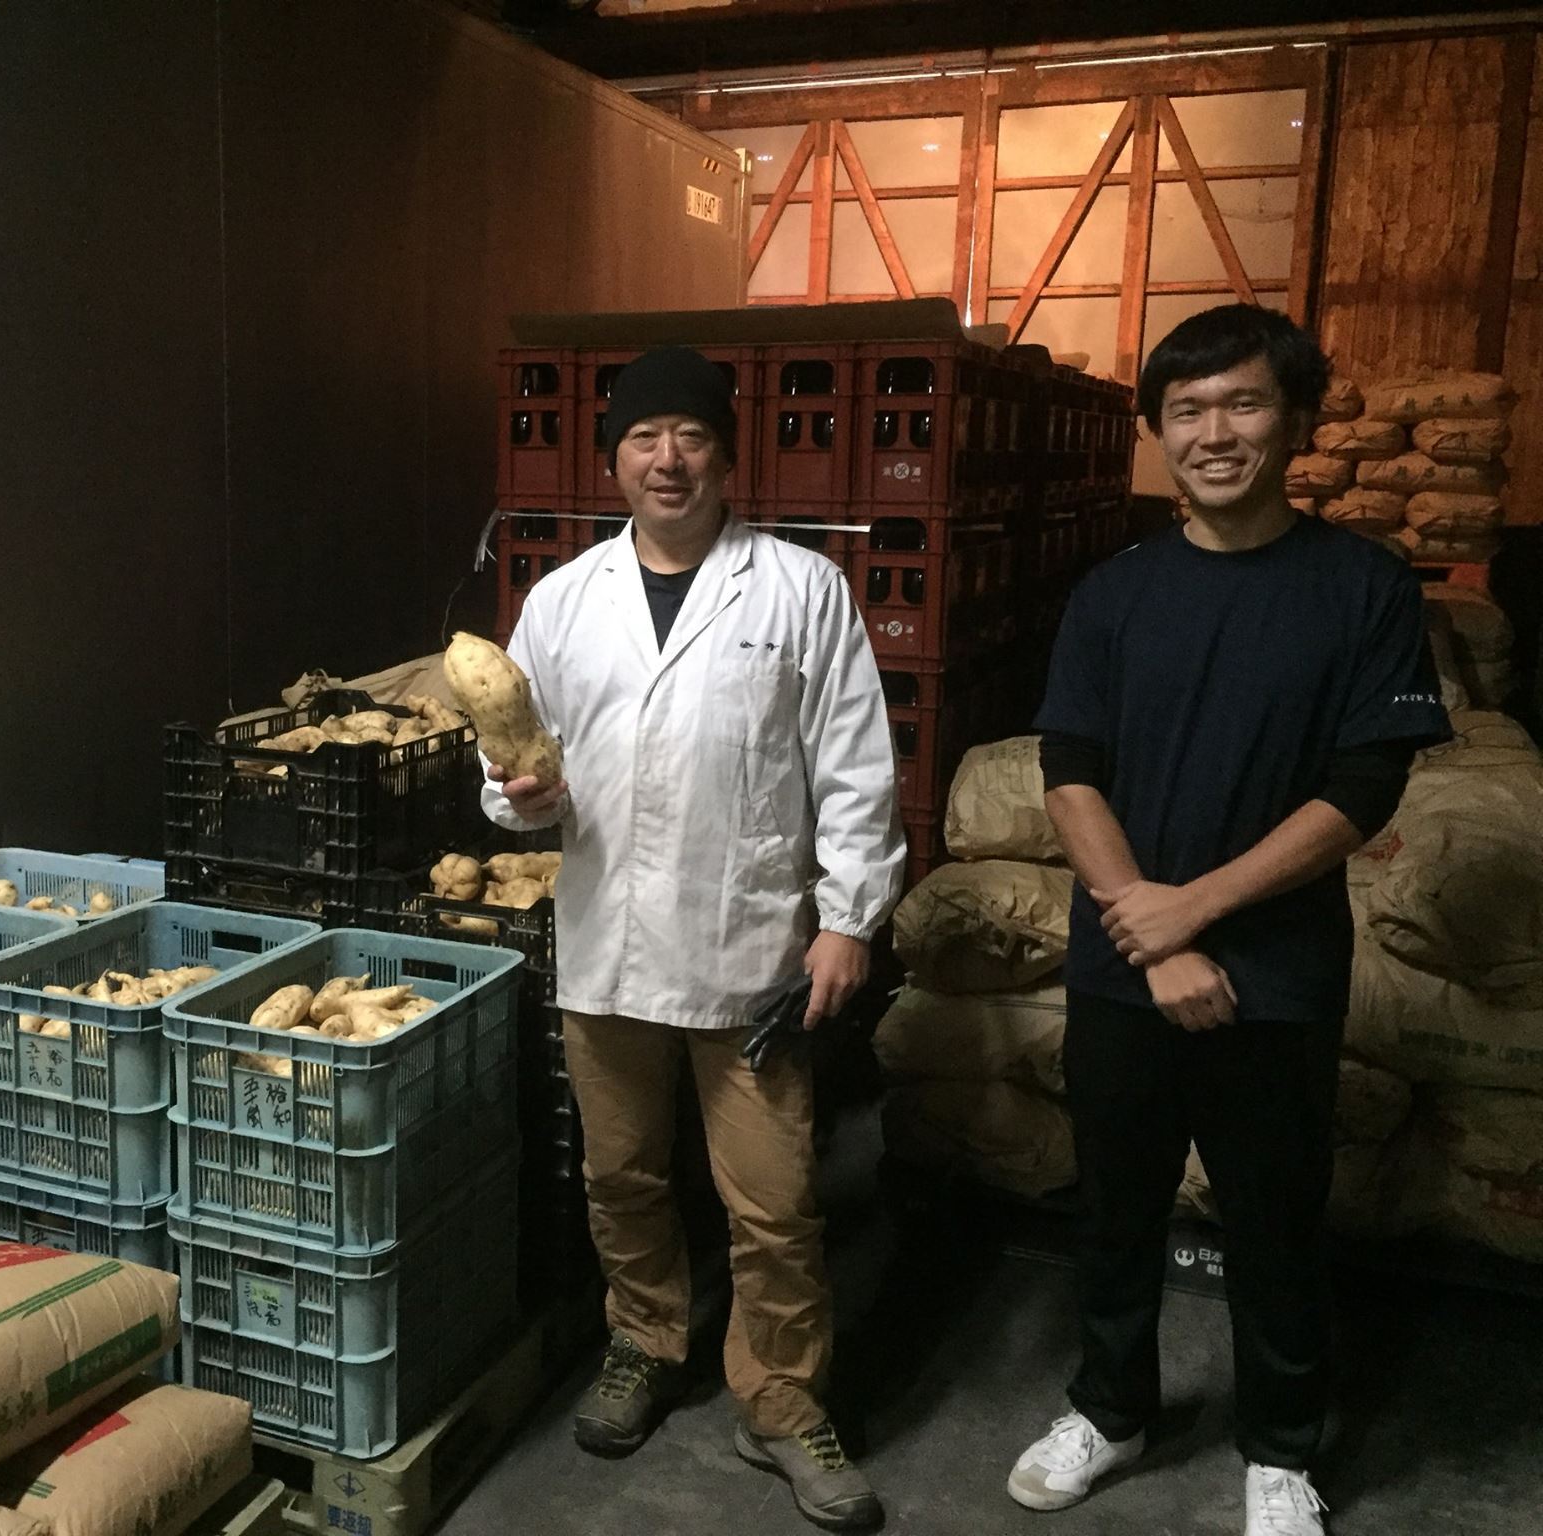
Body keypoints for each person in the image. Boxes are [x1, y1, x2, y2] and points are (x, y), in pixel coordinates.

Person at [1009, 305, 1450, 1536]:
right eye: (1186, 410)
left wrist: (1189, 914)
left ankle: (1279, 1448)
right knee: (1113, 1206)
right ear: (1156, 432)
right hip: (1121, 970)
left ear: (1293, 419)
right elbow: (1068, 771)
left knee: (1272, 1218)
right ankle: (1109, 1408)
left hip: (1276, 973)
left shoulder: (1361, 587)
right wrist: (1145, 935)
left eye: (1242, 403)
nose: (1213, 432)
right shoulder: (1112, 592)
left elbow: (1360, 789)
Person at [476, 346, 905, 1531]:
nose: (666, 459)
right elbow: (509, 763)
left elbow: (855, 765)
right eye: (642, 437)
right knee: (620, 1176)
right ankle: (644, 1339)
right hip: (606, 942)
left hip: (747, 948)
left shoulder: (800, 590)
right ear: (611, 458)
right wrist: (514, 798)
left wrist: (848, 918)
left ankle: (780, 1400)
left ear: (725, 453)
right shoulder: (562, 603)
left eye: (690, 436)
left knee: (772, 1200)